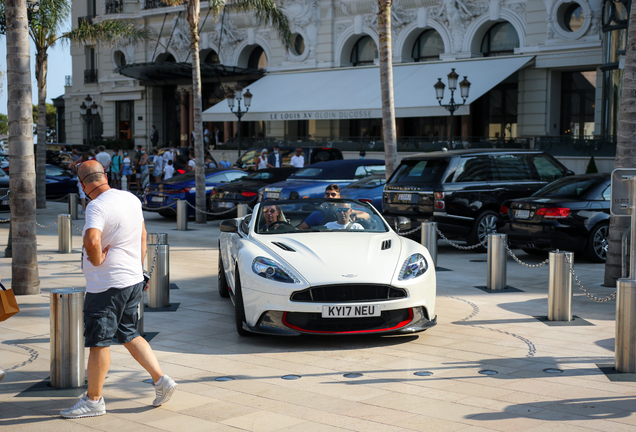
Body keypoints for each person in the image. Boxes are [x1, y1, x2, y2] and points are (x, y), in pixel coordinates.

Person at [59, 161, 177, 419]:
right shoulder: (130, 198)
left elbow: (92, 240)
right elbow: (143, 234)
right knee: (128, 332)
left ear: (83, 184)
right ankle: (161, 381)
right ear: (104, 176)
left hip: (107, 285)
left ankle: (93, 401)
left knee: (98, 342)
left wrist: (97, 260)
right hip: (132, 279)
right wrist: (137, 265)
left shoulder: (97, 206)